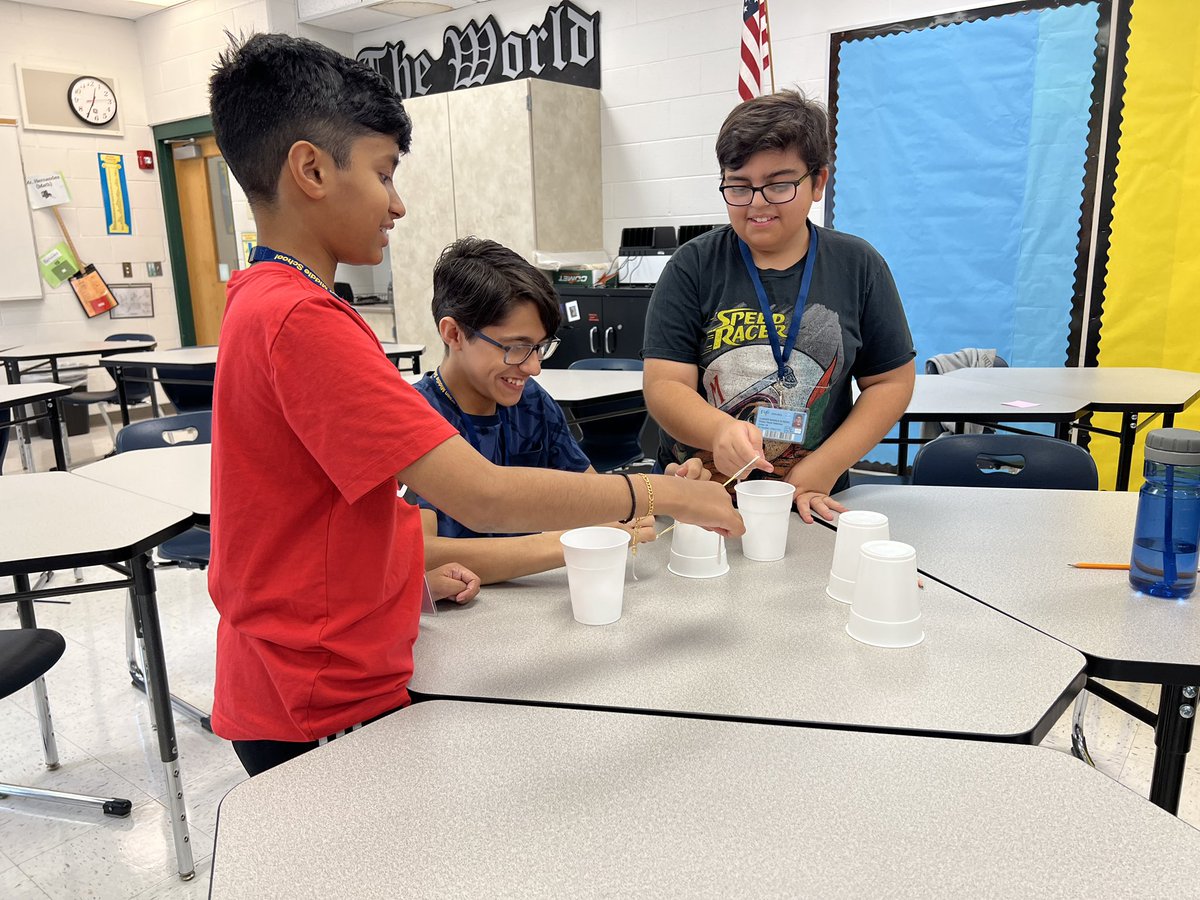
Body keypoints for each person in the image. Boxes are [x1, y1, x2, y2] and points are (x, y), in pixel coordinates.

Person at [207, 33, 742, 776]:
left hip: (323, 663)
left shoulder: (268, 300)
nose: (397, 204)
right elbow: (481, 495)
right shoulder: (300, 319)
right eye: (384, 172)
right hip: (317, 690)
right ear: (311, 169)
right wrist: (653, 495)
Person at [642, 90, 915, 524]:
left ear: (818, 181)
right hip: (699, 492)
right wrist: (719, 432)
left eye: (779, 184)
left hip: (810, 497)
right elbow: (665, 386)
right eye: (739, 186)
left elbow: (890, 383)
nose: (757, 203)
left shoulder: (858, 265)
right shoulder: (693, 266)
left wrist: (822, 468)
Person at [413, 236, 709, 584]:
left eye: (540, 347)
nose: (533, 367)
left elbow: (593, 501)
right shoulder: (417, 419)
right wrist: (569, 543)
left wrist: (659, 493)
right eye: (517, 347)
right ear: (454, 334)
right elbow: (422, 554)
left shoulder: (531, 403)